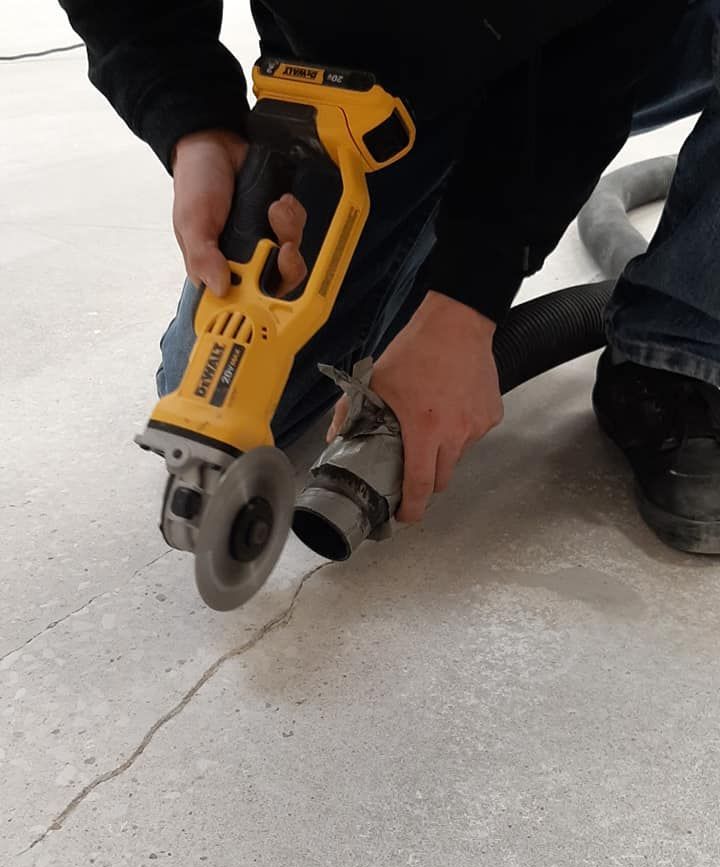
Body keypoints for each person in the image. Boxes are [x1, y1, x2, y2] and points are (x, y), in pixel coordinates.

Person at [59, 0, 720, 552]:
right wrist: (193, 124)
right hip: (370, 77)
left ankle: (680, 351)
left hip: (617, 28)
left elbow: (607, 39)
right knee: (231, 381)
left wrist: (466, 303)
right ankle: (441, 166)